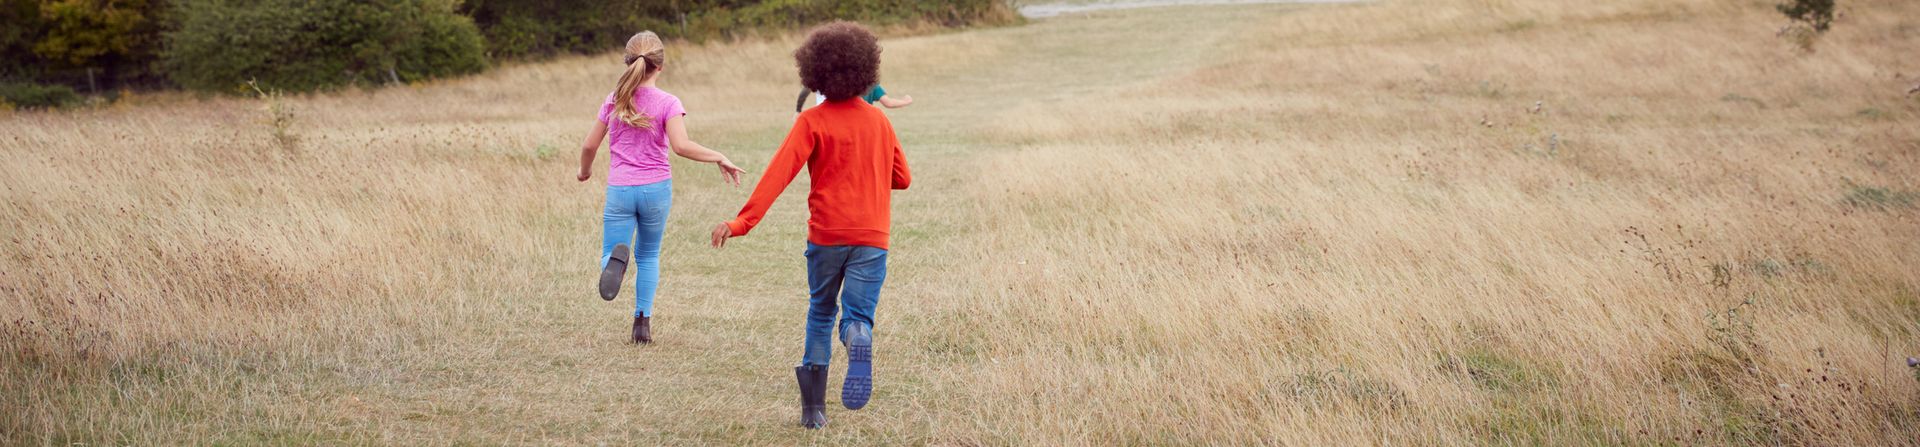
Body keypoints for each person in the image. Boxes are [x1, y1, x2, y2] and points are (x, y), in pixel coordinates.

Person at [713, 21, 908, 429]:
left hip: (826, 237)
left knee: (820, 311)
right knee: (856, 316)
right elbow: (902, 178)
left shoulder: (811, 121)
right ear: (866, 70)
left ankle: (814, 411)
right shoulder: (880, 122)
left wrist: (741, 222)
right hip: (872, 238)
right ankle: (857, 336)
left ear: (815, 73)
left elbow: (776, 176)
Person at [577, 31, 745, 344]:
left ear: (628, 64)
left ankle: (615, 263)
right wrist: (718, 156)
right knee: (650, 255)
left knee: (611, 251)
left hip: (621, 189)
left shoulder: (613, 100)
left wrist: (584, 172)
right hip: (656, 189)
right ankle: (642, 325)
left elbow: (589, 146)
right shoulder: (668, 102)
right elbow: (681, 146)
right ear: (660, 67)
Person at [795, 84, 913, 113]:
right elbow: (888, 103)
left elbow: (805, 91)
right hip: (866, 122)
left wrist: (798, 110)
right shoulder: (873, 85)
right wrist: (906, 101)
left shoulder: (845, 81)